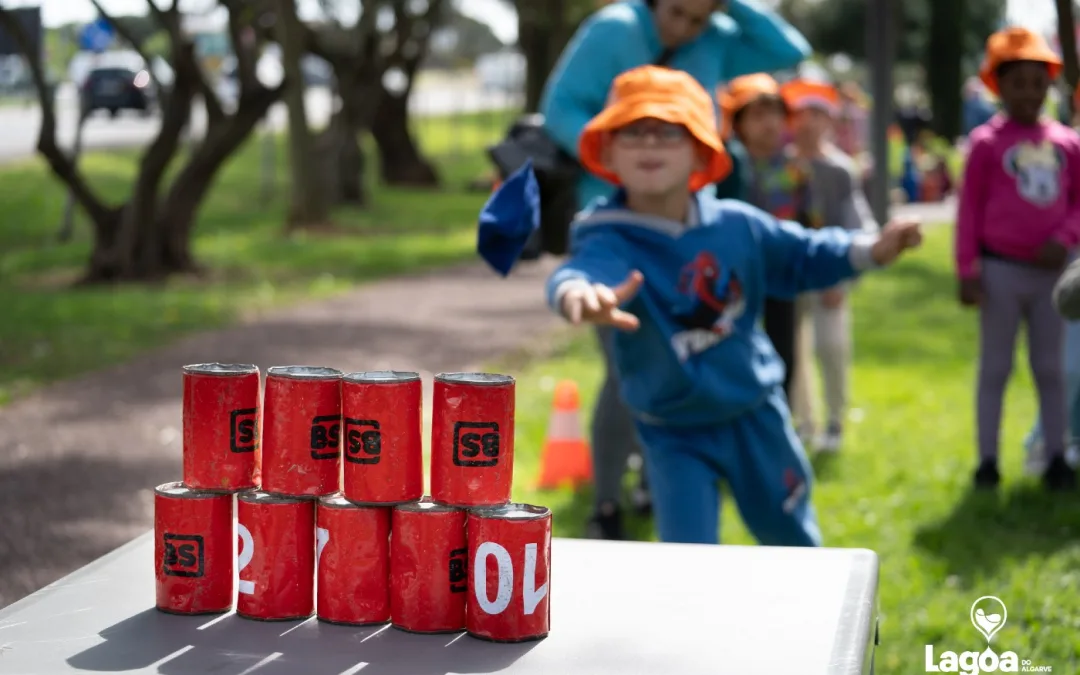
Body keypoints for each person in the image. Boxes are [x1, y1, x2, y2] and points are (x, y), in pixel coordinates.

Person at [540, 65, 921, 545]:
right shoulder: (605, 233)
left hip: (754, 413)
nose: (650, 144)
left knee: (793, 545)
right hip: (672, 431)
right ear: (608, 151)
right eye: (632, 131)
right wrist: (576, 293)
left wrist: (872, 249)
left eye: (669, 132)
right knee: (690, 558)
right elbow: (583, 271)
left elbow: (804, 254)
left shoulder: (738, 225)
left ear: (702, 150)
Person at [539, 0, 810, 540]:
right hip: (622, 231)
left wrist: (728, 7)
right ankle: (609, 502)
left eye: (697, 17)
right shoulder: (615, 29)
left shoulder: (716, 36)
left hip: (689, 228)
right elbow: (560, 108)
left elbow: (789, 51)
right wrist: (623, 160)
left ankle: (657, 484)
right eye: (677, 12)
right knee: (630, 374)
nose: (684, 27)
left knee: (694, 359)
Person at [956, 26, 1080, 491]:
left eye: (1037, 83)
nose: (1029, 93)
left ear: (1050, 85)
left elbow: (1077, 203)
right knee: (995, 367)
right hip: (1000, 272)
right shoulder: (986, 143)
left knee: (1051, 368)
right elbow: (969, 210)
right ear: (999, 86)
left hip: (1052, 275)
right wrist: (967, 268)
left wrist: (1064, 238)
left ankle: (1056, 456)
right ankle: (987, 461)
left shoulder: (1067, 143)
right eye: (1018, 83)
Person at [781, 78, 879, 452]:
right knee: (793, 350)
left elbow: (858, 222)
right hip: (789, 273)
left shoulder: (840, 169)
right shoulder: (781, 166)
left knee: (832, 346)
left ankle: (835, 420)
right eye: (801, 115)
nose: (807, 123)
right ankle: (803, 422)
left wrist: (843, 274)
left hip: (829, 274)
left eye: (816, 115)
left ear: (829, 121)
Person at [717, 73, 803, 397]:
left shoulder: (794, 165)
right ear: (738, 122)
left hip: (780, 267)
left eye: (775, 114)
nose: (769, 123)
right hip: (738, 271)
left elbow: (809, 215)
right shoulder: (727, 165)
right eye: (758, 115)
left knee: (785, 348)